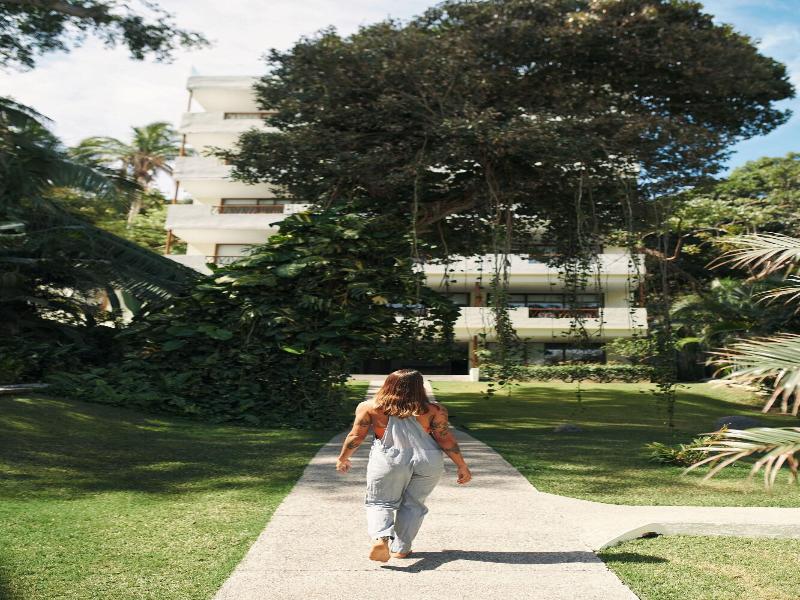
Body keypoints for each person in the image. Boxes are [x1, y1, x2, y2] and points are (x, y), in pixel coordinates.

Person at [335, 369, 472, 562]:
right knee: (414, 504)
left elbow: (356, 436)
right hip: (428, 461)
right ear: (419, 387)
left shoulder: (369, 407)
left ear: (389, 384)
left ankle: (380, 538)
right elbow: (445, 438)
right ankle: (401, 549)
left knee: (380, 502)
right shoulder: (435, 410)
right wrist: (461, 465)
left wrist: (343, 458)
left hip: (390, 460)